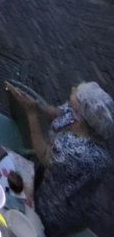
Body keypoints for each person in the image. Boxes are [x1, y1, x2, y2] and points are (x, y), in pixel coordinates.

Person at [6, 79, 114, 237]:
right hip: (48, 178)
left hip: (56, 204)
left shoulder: (78, 151)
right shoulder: (82, 117)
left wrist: (32, 114)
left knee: (34, 228)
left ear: (80, 119)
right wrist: (37, 105)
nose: (69, 107)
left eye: (73, 106)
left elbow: (44, 155)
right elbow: (57, 112)